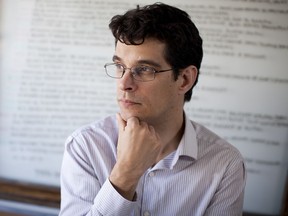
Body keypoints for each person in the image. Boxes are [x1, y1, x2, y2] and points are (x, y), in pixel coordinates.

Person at [59, 3, 246, 216]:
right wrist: (125, 174)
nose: (124, 83)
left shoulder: (224, 164)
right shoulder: (85, 146)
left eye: (144, 69)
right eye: (120, 66)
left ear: (184, 79)